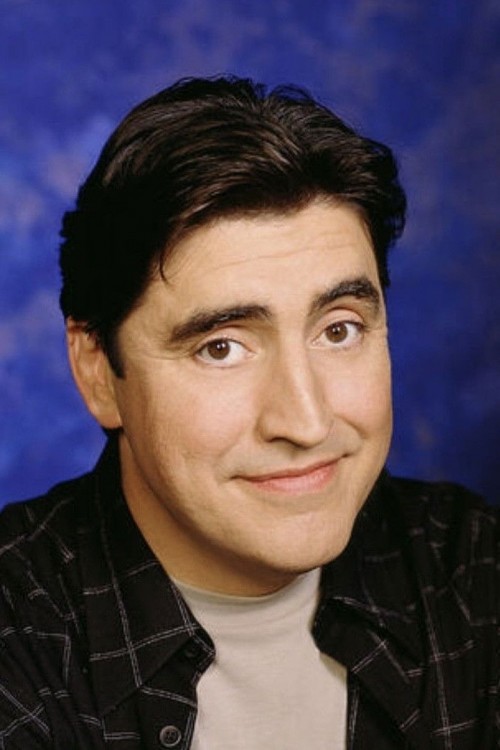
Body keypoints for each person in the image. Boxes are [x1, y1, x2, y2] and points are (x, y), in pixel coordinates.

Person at [0, 76, 497, 750]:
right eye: (222, 347)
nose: (306, 422)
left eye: (339, 330)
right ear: (98, 371)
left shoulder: (476, 575)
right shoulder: (18, 638)